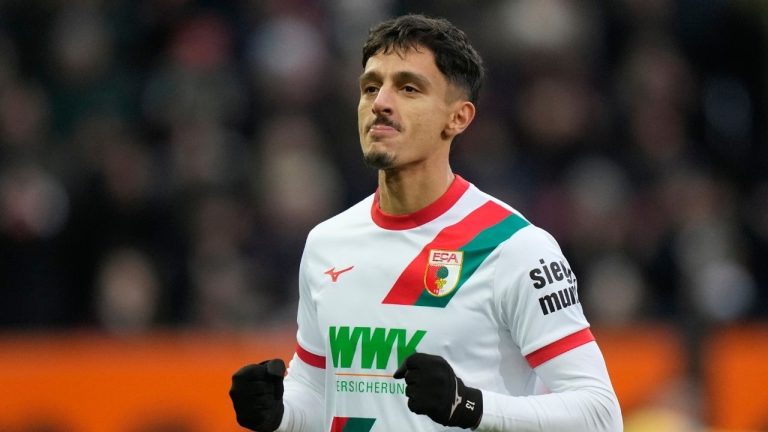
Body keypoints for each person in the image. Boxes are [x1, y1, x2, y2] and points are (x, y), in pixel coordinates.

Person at [229, 14, 623, 431]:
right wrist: (280, 413)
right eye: (370, 87)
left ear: (458, 118)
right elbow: (316, 387)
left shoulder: (514, 248)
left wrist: (468, 405)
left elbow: (600, 415)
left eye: (408, 88)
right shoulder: (328, 243)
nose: (380, 101)